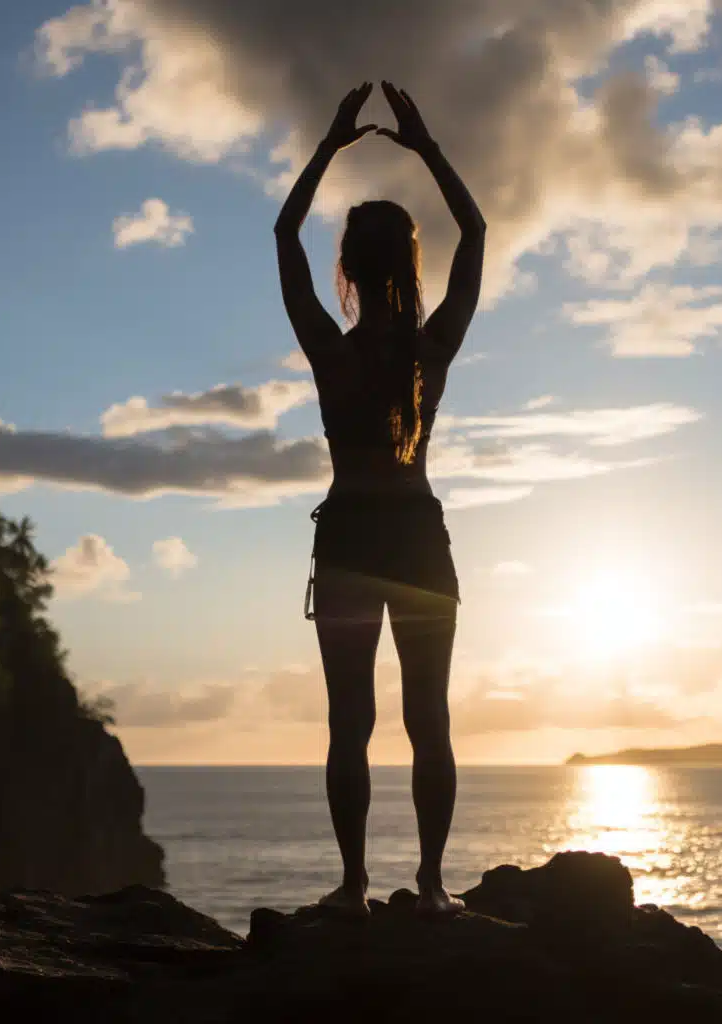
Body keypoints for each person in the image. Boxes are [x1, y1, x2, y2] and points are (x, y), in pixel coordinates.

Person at [274, 81, 485, 916]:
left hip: (355, 539)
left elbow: (284, 232)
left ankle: (356, 886)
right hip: (418, 538)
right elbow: (474, 232)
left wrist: (329, 144)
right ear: (409, 263)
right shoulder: (432, 349)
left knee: (349, 723)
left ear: (349, 273)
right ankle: (432, 887)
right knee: (428, 719)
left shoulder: (332, 352)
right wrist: (426, 146)